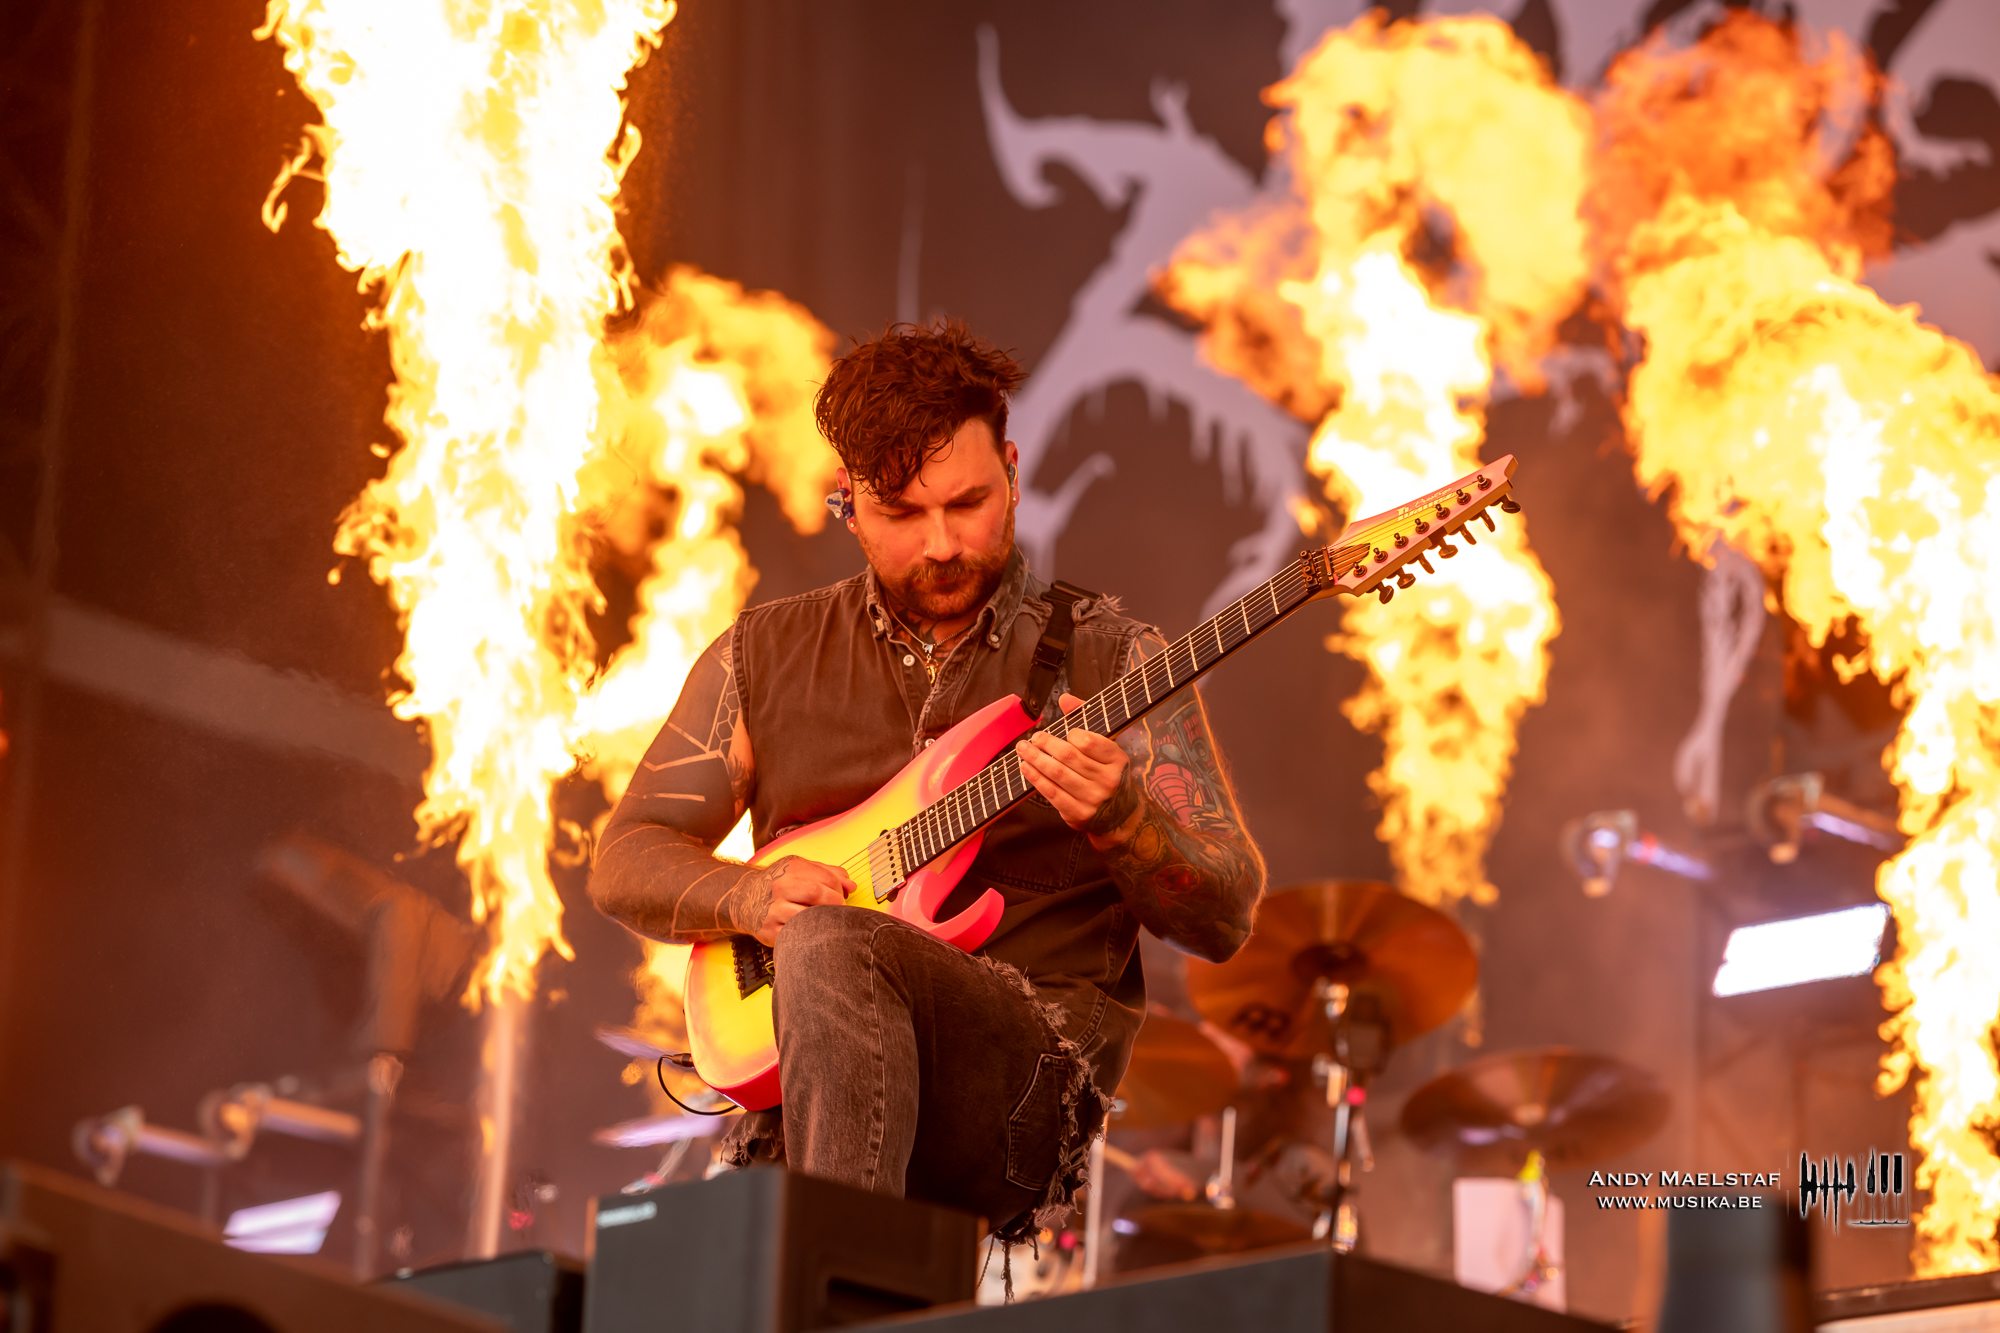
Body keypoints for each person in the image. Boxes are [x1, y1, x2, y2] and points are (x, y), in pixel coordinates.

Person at [588, 320, 1265, 1239]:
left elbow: (1226, 912)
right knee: (827, 948)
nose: (942, 543)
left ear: (1013, 473)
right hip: (806, 1097)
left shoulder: (1112, 656)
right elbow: (624, 856)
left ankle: (834, 1272)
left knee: (834, 943)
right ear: (847, 503)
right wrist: (747, 896)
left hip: (1019, 1096)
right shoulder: (762, 655)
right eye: (902, 514)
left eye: (968, 502)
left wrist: (1123, 816)